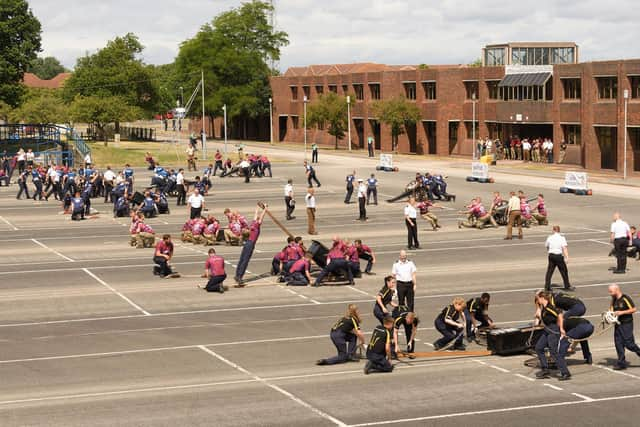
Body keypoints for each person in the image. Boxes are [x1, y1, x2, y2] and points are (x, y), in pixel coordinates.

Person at [234, 205, 267, 287]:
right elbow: (261, 216)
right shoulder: (257, 224)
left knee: (242, 259)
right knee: (245, 260)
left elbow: (256, 214)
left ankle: (237, 275)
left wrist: (257, 207)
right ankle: (239, 277)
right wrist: (265, 209)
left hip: (247, 242)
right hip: (251, 243)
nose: (258, 218)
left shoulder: (253, 223)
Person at [608, 284, 640, 370]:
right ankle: (621, 362)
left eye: (611, 291)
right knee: (618, 343)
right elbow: (611, 308)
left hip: (626, 324)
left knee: (629, 343)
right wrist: (609, 315)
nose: (610, 293)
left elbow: (634, 309)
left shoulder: (625, 298)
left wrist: (622, 313)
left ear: (617, 290)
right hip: (618, 324)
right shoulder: (613, 299)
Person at [533, 291, 562, 379]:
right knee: (539, 348)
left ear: (542, 298)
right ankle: (545, 369)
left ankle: (564, 371)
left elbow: (559, 315)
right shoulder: (543, 308)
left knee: (553, 352)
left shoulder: (549, 307)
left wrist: (561, 329)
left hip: (553, 329)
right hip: (547, 330)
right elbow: (541, 321)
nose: (537, 301)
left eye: (538, 299)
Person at [543, 225, 573, 291]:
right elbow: (564, 248)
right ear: (559, 230)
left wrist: (549, 252)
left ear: (553, 230)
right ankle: (567, 286)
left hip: (551, 255)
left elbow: (547, 246)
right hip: (558, 256)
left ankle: (547, 286)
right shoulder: (562, 238)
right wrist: (567, 257)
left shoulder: (550, 237)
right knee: (564, 271)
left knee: (549, 271)